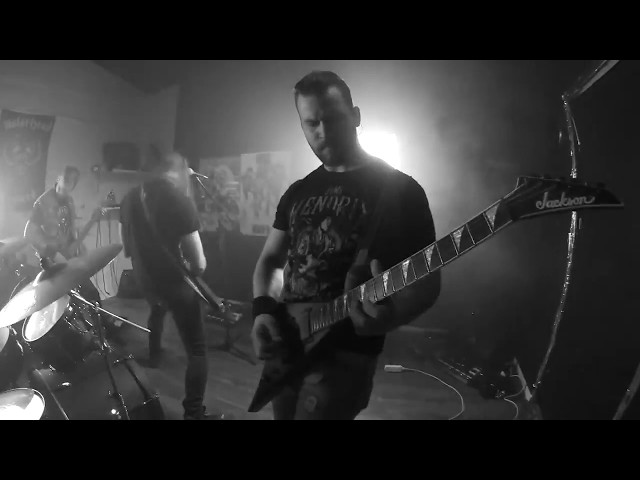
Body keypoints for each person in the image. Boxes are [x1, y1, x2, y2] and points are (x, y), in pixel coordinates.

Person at [251, 71, 442, 420]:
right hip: (287, 342)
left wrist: (390, 318)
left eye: (333, 119)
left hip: (346, 353)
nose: (322, 132)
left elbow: (427, 282)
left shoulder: (402, 190)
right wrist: (263, 309)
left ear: (355, 116)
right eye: (311, 123)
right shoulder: (298, 190)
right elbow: (271, 260)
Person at [119, 151, 219, 420]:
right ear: (177, 170)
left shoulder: (129, 198)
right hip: (175, 284)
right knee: (197, 350)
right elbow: (199, 264)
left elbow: (127, 245)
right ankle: (193, 413)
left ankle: (154, 355)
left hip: (146, 279)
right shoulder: (179, 200)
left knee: (157, 309)